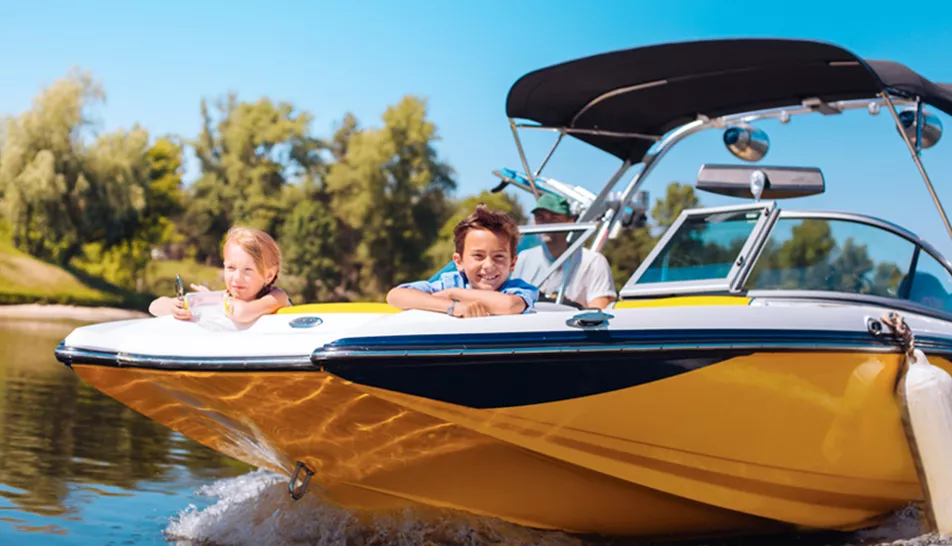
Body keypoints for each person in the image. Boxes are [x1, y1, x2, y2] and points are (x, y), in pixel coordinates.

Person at [387, 204, 538, 317]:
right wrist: (453, 306)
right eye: (478, 256)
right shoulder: (450, 282)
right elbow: (395, 296)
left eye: (499, 256)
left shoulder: (519, 289)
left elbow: (509, 306)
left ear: (512, 263)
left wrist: (455, 293)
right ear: (459, 261)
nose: (489, 265)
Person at [149, 226, 291, 324]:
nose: (237, 278)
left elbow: (241, 313)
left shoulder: (276, 297)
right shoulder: (225, 298)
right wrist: (176, 306)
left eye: (248, 270)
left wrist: (213, 301)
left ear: (269, 275)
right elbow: (154, 307)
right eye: (231, 268)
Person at [512, 194, 617, 309]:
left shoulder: (593, 261)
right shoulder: (524, 258)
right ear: (534, 223)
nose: (547, 223)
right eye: (540, 217)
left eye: (554, 217)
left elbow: (599, 311)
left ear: (570, 222)